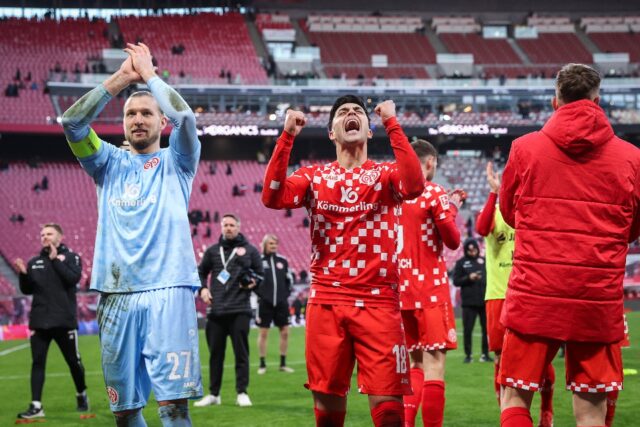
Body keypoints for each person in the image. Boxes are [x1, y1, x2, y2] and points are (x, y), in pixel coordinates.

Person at [61, 42, 203, 426]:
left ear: (160, 122)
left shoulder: (179, 161)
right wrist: (121, 79)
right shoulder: (106, 162)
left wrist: (151, 76)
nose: (138, 119)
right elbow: (71, 124)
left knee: (173, 408)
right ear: (123, 122)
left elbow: (186, 119)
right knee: (125, 411)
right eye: (131, 114)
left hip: (169, 290)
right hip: (117, 294)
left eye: (146, 113)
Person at [262, 95, 424, 426]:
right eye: (342, 113)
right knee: (327, 412)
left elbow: (414, 185)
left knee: (390, 413)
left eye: (358, 112)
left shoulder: (386, 174)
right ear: (332, 133)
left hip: (379, 301)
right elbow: (272, 196)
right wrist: (287, 137)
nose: (351, 114)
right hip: (327, 303)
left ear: (368, 130)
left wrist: (392, 123)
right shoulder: (313, 177)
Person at [498, 63, 640, 427]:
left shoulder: (523, 148)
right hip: (596, 298)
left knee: (514, 395)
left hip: (535, 290)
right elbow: (632, 228)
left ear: (555, 100)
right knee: (591, 408)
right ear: (598, 100)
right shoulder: (632, 158)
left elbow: (510, 213)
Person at [475, 162, 555, 427]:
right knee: (500, 358)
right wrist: (493, 193)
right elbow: (480, 228)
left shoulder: (533, 215)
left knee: (540, 357)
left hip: (529, 294)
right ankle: (506, 411)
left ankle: (546, 410)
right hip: (498, 295)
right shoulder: (496, 213)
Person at [396, 140, 463, 427]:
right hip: (430, 290)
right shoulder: (433, 192)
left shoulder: (392, 193)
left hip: (400, 292)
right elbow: (452, 240)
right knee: (435, 365)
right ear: (430, 162)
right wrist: (452, 208)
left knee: (415, 364)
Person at [14, 223, 89, 420]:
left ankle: (81, 393)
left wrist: (56, 260)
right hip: (40, 322)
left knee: (74, 362)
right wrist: (23, 274)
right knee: (37, 363)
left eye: (49, 233)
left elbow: (72, 279)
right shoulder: (35, 261)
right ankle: (36, 405)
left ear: (60, 237)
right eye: (42, 234)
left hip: (64, 321)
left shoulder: (71, 257)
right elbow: (28, 289)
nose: (44, 236)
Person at [195, 214, 263, 408]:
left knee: (241, 354)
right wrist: (203, 289)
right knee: (215, 354)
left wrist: (253, 282)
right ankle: (214, 394)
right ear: (221, 227)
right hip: (216, 311)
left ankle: (242, 392)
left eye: (232, 225)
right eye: (225, 225)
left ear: (239, 227)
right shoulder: (212, 251)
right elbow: (200, 272)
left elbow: (261, 275)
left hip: (240, 310)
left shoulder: (250, 251)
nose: (229, 228)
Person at [256, 234, 295, 375]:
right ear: (265, 244)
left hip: (281, 303)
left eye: (275, 244)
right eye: (270, 243)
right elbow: (254, 281)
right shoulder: (258, 261)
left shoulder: (282, 261)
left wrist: (285, 295)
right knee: (263, 332)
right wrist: (261, 295)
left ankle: (283, 364)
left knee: (285, 332)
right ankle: (262, 364)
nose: (273, 246)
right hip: (265, 303)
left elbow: (290, 279)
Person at [453, 239, 491, 364]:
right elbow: (456, 281)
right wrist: (468, 278)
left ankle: (485, 354)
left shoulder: (484, 261)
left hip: (484, 301)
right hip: (468, 303)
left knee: (486, 330)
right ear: (466, 250)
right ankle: (468, 355)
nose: (472, 252)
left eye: (474, 249)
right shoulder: (461, 263)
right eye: (470, 250)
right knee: (467, 330)